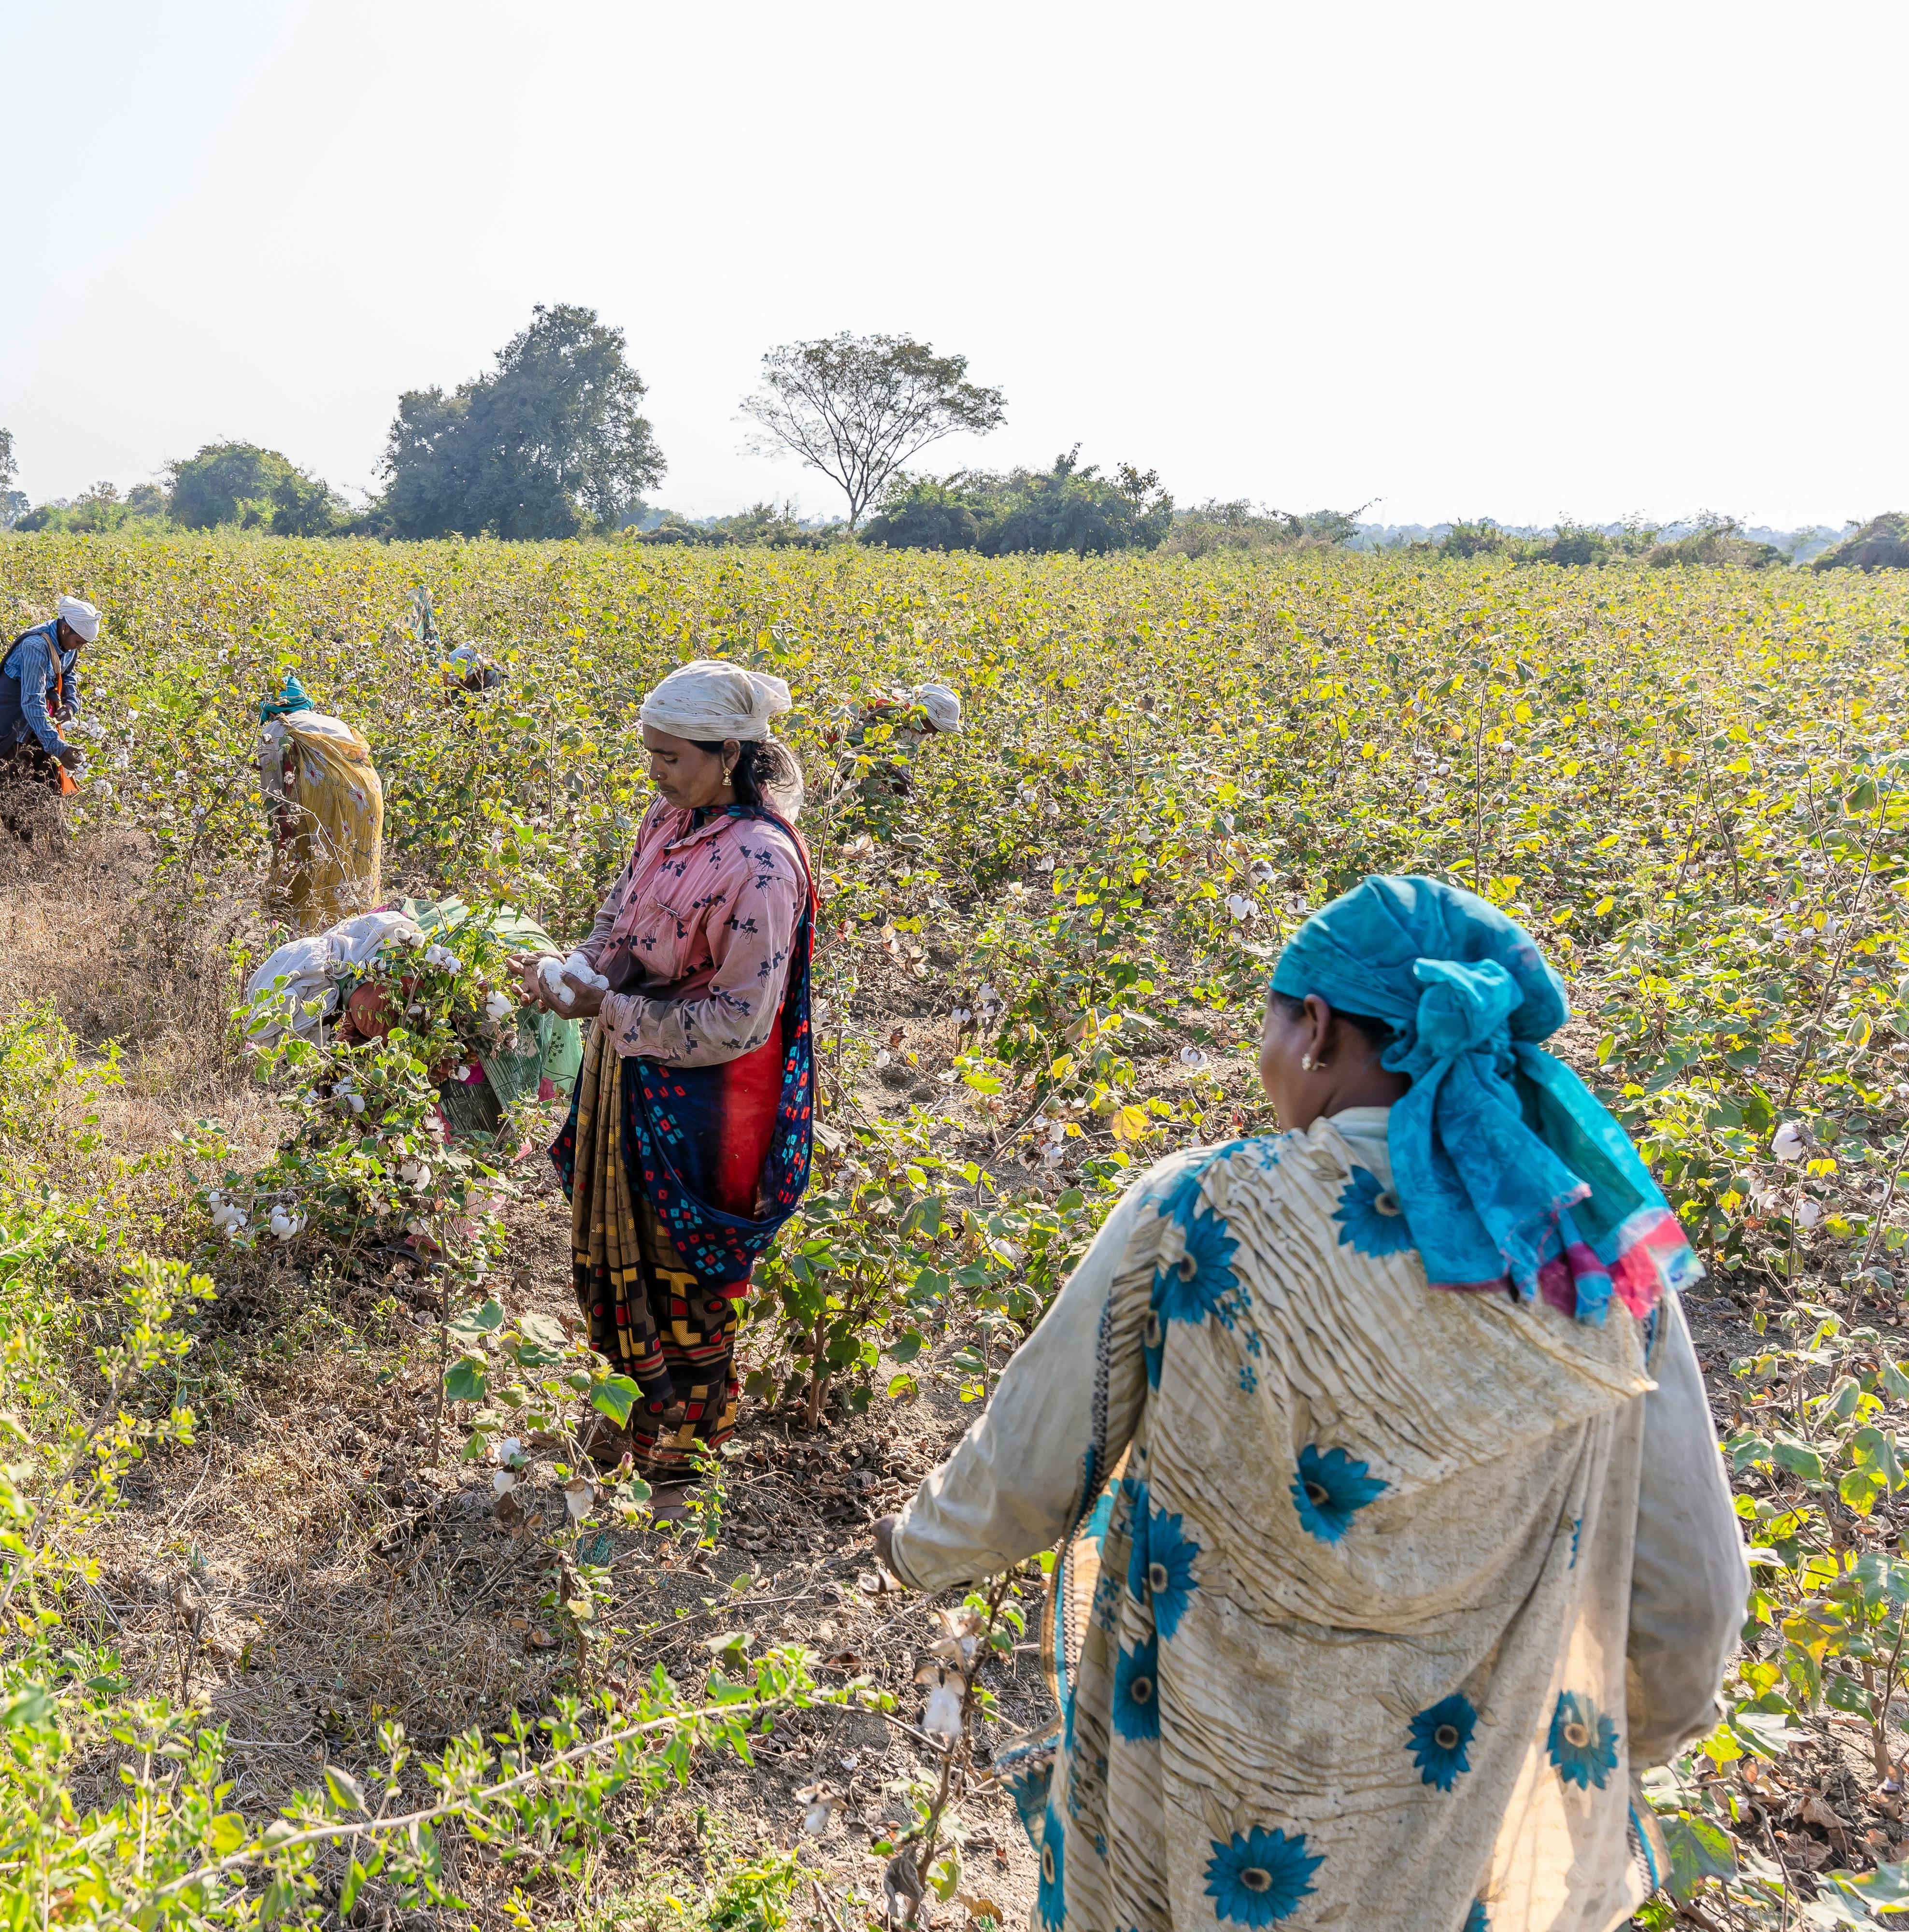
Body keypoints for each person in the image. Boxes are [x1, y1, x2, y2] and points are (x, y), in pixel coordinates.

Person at [869, 876, 1746, 1932]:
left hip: (1179, 1795)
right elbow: (1686, 1595)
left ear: (1319, 1029)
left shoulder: (1201, 1208)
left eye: (1274, 1025)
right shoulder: (1591, 1268)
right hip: (1439, 1831)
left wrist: (918, 1547)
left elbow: (1031, 1462)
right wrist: (1625, 1733)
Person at [527, 659, 820, 1496]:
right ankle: (622, 1412)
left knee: (687, 1283)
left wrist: (607, 1009)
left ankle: (678, 1465)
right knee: (612, 1259)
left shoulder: (763, 866)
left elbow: (739, 1020)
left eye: (671, 757)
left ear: (728, 752)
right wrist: (576, 971)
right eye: (650, 755)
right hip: (630, 1074)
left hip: (704, 1106)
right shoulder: (669, 816)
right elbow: (619, 914)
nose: (655, 773)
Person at [256, 676, 385, 928]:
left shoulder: (274, 730)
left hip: (318, 798)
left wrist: (279, 830)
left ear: (271, 708)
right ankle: (358, 930)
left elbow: (272, 791)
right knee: (356, 858)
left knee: (305, 859)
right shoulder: (339, 724)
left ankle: (304, 932)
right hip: (368, 797)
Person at [0, 595, 102, 845]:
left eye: (84, 644)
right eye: (78, 641)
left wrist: (70, 703)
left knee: (48, 782)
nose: (79, 648)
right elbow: (31, 701)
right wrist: (58, 747)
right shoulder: (35, 646)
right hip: (8, 721)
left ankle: (56, 847)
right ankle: (22, 853)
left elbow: (68, 674)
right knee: (12, 785)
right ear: (65, 627)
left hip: (33, 718)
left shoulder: (68, 643)